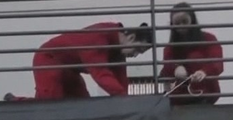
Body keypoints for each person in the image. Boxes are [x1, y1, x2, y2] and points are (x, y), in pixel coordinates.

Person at [8, 22, 153, 101]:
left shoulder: (117, 50)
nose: (135, 55)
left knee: (82, 103)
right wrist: (125, 99)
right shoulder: (99, 37)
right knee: (50, 105)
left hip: (69, 68)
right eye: (137, 50)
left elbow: (121, 80)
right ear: (131, 38)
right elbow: (101, 74)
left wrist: (127, 100)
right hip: (48, 60)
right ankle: (16, 102)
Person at [158, 2, 224, 105]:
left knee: (195, 57)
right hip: (180, 99)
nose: (182, 26)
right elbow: (166, 66)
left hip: (206, 94)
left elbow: (217, 62)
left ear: (192, 20)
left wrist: (204, 72)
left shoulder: (209, 39)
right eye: (177, 23)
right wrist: (175, 68)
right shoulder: (170, 48)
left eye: (185, 21)